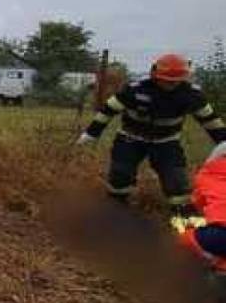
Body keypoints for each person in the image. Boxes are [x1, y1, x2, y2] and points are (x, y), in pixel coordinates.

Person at [78, 53, 226, 214]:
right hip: (130, 138)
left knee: (176, 179)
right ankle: (116, 208)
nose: (170, 84)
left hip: (166, 142)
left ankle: (182, 216)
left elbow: (210, 121)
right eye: (167, 80)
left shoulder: (191, 95)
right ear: (155, 74)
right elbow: (108, 110)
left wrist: (223, 142)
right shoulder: (135, 89)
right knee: (121, 173)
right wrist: (91, 133)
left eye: (174, 81)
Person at [174, 142, 226, 303]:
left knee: (183, 242)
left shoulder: (208, 176)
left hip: (220, 234)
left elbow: (196, 205)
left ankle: (193, 289)